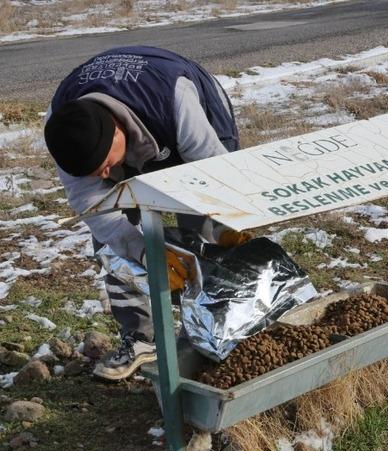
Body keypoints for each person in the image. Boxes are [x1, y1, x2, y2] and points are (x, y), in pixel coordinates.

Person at [44, 45, 251, 380]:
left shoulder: (175, 102)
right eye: (93, 172)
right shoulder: (65, 129)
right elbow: (97, 212)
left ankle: (219, 332)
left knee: (202, 227)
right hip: (134, 130)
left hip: (180, 118)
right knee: (112, 243)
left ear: (116, 131)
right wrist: (144, 252)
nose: (101, 175)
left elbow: (215, 179)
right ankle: (141, 336)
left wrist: (223, 224)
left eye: (105, 165)